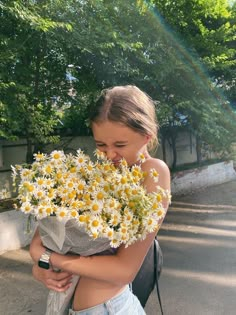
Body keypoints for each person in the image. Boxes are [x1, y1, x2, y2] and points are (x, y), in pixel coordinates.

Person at [29, 85, 171, 314]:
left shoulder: (153, 172)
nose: (109, 155)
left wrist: (54, 260)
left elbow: (124, 270)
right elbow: (41, 239)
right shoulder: (97, 172)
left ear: (147, 136)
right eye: (101, 145)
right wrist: (41, 267)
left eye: (120, 145)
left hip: (110, 307)